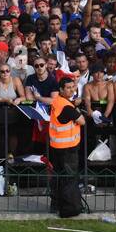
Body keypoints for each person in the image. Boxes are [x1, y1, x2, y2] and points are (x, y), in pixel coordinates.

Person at [48, 75, 84, 212]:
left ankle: (55, 205)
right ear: (61, 89)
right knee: (69, 178)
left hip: (56, 146)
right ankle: (70, 208)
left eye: (72, 87)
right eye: (68, 88)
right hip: (68, 148)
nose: (71, 90)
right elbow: (82, 121)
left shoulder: (57, 101)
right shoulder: (67, 107)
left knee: (57, 177)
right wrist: (76, 108)